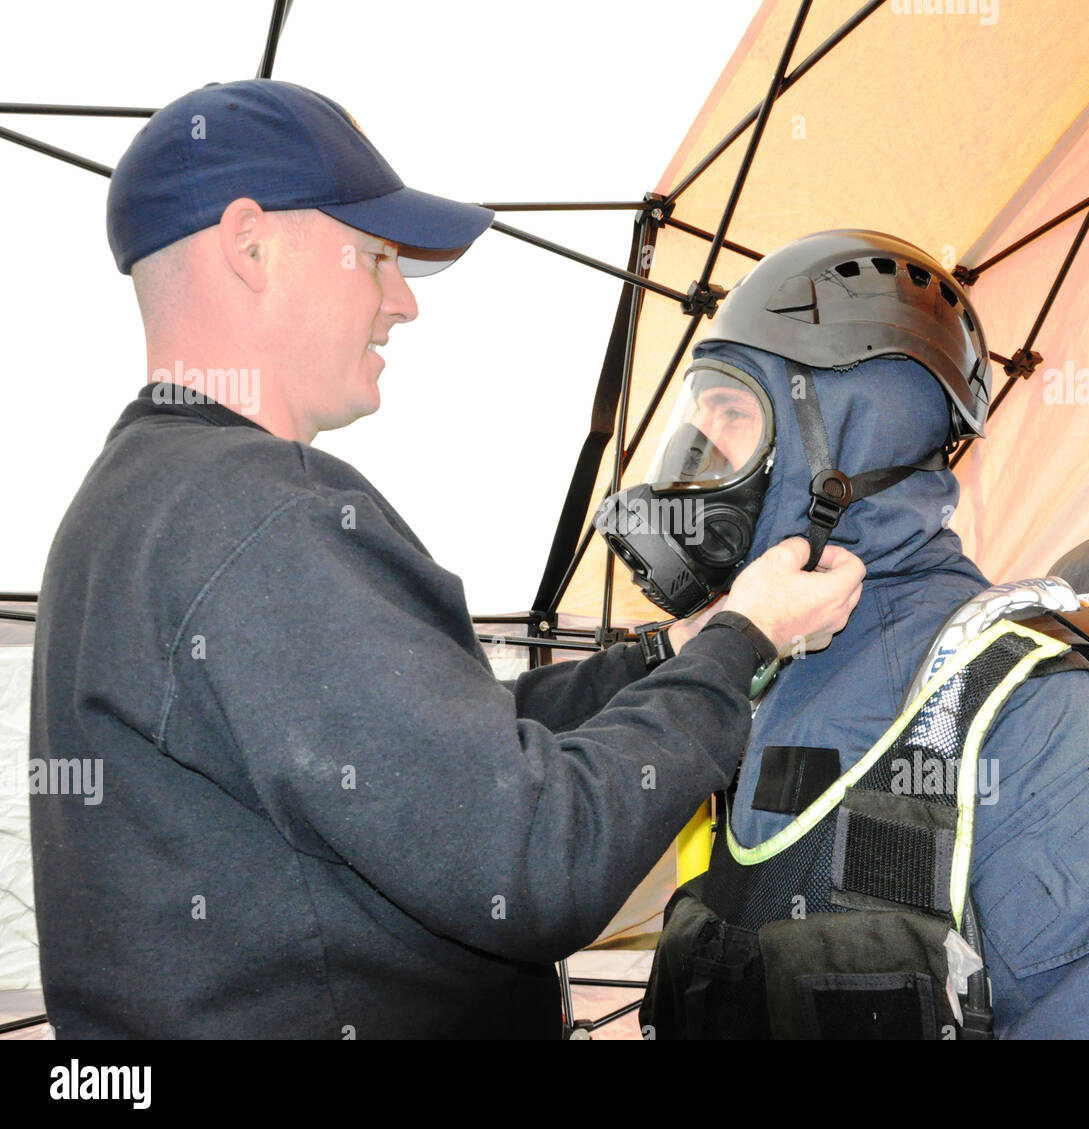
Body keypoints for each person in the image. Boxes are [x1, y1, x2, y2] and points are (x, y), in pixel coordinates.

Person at [26, 79, 866, 1039]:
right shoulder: (263, 515)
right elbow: (534, 858)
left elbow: (440, 756)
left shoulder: (129, 508)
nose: (401, 303)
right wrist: (745, 645)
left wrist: (672, 651)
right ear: (251, 245)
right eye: (376, 255)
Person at [607, 230, 1089, 1039]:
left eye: (732, 417)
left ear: (852, 441)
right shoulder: (755, 673)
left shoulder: (1045, 710)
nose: (695, 464)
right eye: (699, 418)